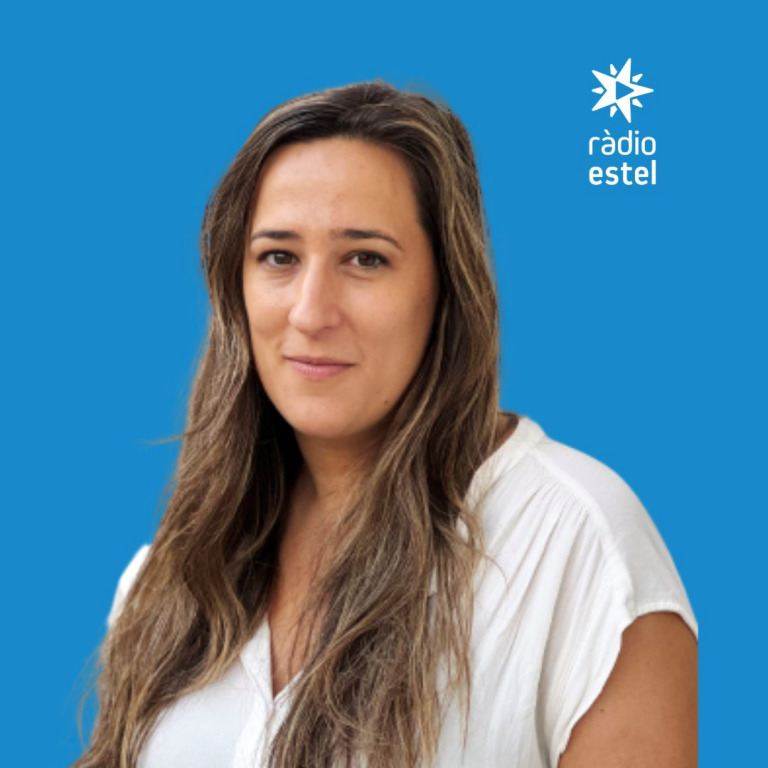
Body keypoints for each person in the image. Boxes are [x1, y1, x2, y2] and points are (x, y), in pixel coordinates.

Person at [74, 81, 697, 768]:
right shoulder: (170, 578)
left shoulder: (578, 546)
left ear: (447, 287)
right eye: (279, 256)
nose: (311, 312)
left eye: (365, 259)